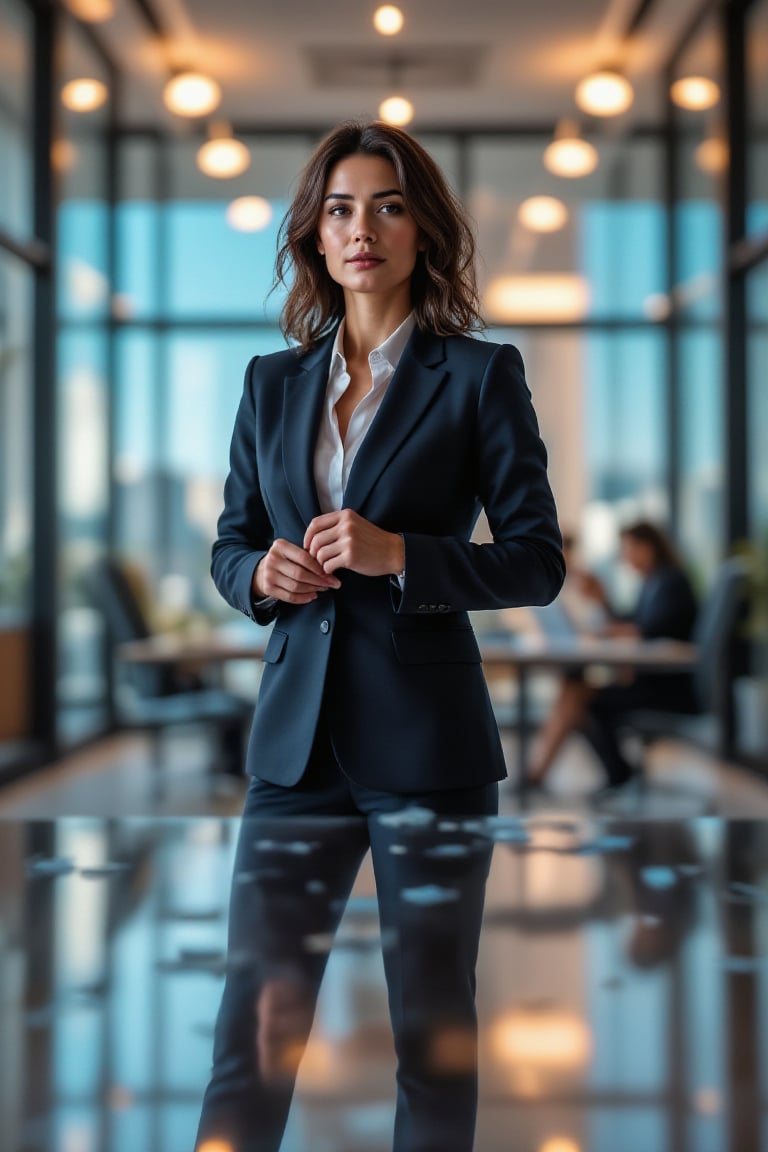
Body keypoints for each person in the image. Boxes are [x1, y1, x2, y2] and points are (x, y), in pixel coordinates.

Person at [195, 119, 564, 1152]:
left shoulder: (482, 376)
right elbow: (229, 544)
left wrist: (404, 554)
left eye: (391, 206)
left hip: (431, 749)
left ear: (423, 232)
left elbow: (538, 562)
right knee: (254, 1028)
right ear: (316, 234)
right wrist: (258, 575)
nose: (365, 229)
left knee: (432, 1033)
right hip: (292, 750)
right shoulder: (271, 383)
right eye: (344, 208)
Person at [527, 519, 699, 790]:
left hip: (669, 689)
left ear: (647, 548)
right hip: (655, 682)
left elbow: (650, 630)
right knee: (575, 690)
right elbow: (634, 624)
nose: (624, 557)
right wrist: (603, 601)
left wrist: (610, 622)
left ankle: (614, 773)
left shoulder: (670, 582)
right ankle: (545, 775)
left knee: (581, 697)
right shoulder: (654, 582)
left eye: (629, 548)